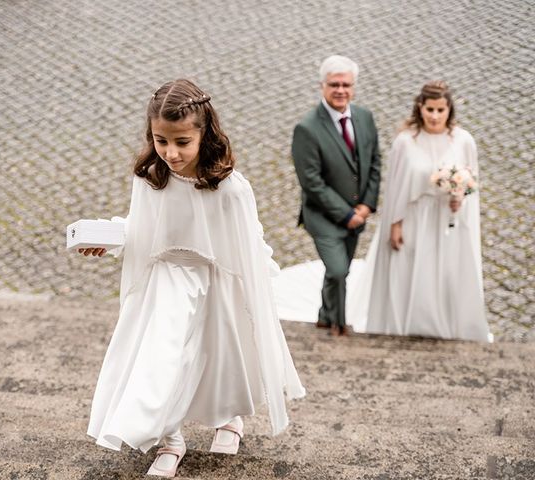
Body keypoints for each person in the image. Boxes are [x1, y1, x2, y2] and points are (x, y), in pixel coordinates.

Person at [80, 79, 305, 478]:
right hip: (166, 277)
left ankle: (229, 418)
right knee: (162, 356)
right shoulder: (151, 176)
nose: (171, 153)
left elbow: (248, 240)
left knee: (222, 356)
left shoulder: (230, 188)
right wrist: (111, 240)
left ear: (205, 133)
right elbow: (143, 227)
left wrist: (257, 286)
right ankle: (169, 437)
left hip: (216, 277)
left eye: (182, 141)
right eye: (161, 140)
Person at [362, 81, 490, 341]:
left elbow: (471, 182)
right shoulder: (405, 142)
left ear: (449, 110)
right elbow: (396, 186)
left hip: (447, 217)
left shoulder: (464, 141)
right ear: (420, 108)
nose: (434, 116)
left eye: (440, 110)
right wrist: (395, 224)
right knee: (412, 270)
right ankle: (410, 326)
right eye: (429, 109)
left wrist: (459, 199)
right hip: (414, 217)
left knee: (447, 271)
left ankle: (449, 325)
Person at [291, 55, 381, 336]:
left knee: (338, 272)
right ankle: (339, 327)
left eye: (346, 84)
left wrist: (366, 206)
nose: (340, 90)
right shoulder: (307, 128)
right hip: (323, 215)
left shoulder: (365, 118)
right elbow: (311, 182)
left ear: (353, 87)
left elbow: (375, 162)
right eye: (334, 84)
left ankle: (325, 316)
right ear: (323, 86)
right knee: (339, 269)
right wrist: (345, 215)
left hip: (358, 212)